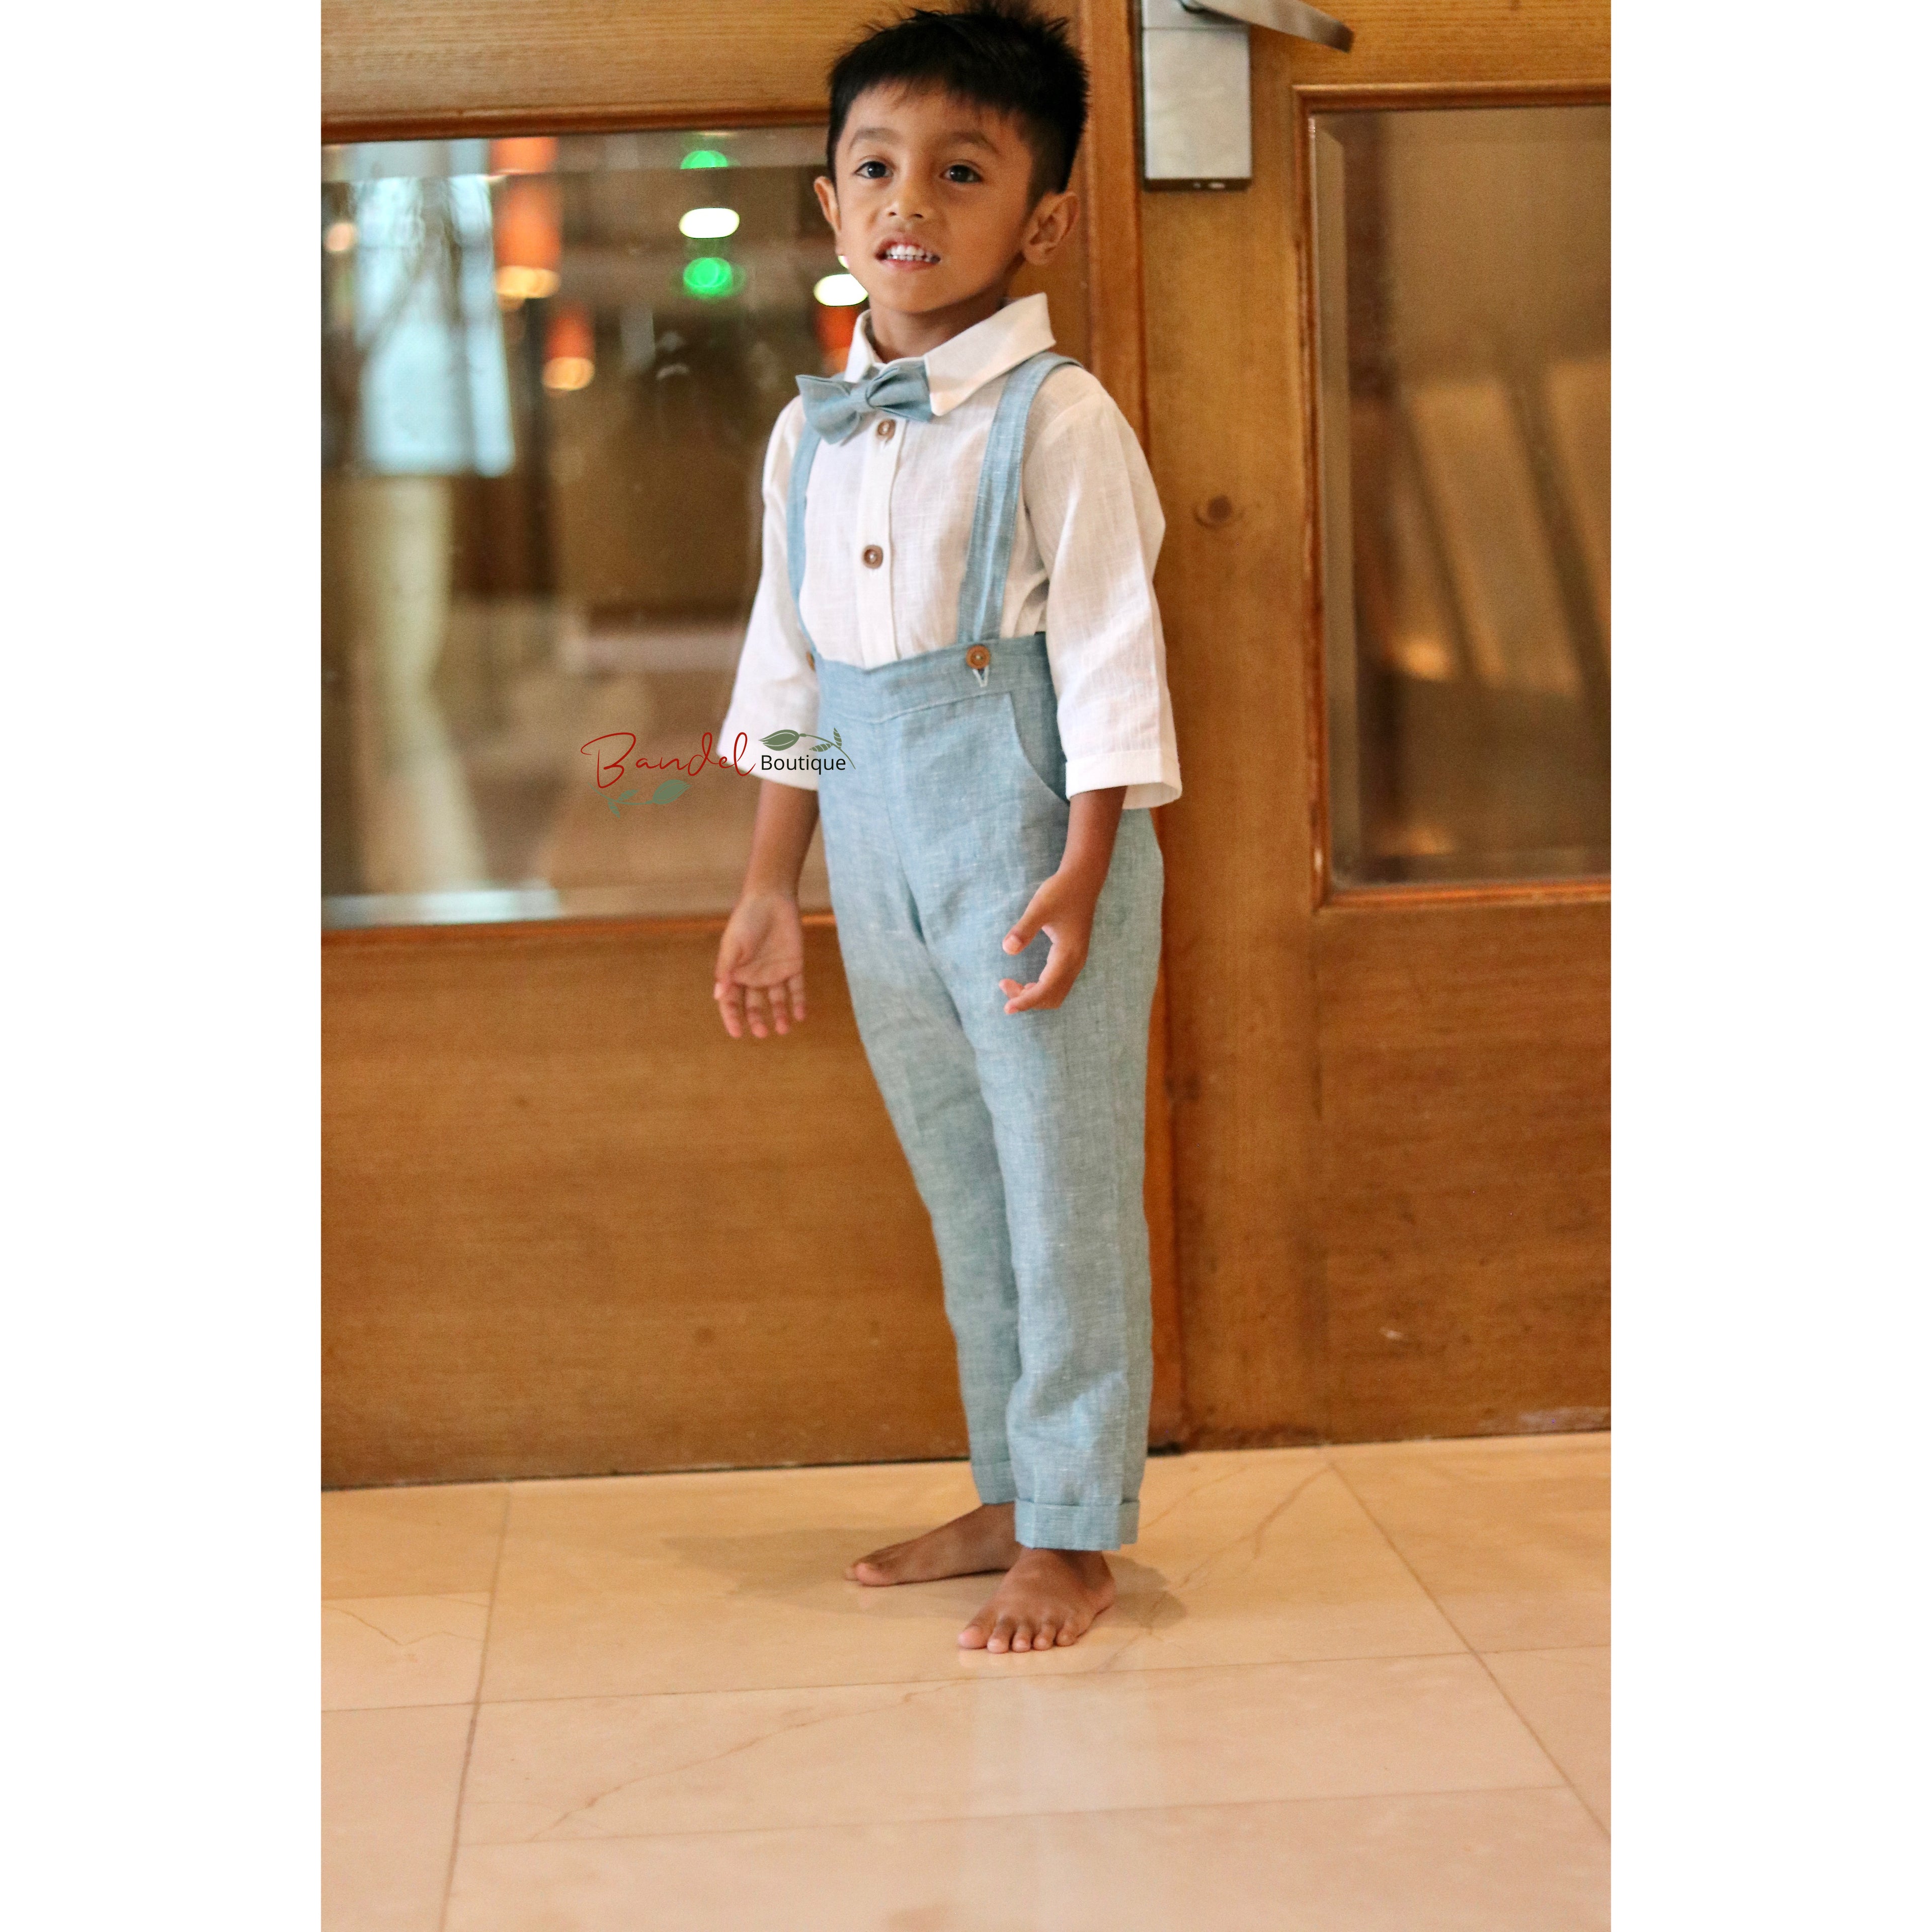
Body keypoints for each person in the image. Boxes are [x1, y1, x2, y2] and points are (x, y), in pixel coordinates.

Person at [712, 0, 1182, 1656]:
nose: (913, 199)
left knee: (1063, 1187)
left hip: (1036, 847)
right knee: (966, 1188)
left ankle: (1076, 1532)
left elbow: (1117, 656)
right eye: (878, 165)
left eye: (963, 170)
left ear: (1038, 217)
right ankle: (1007, 1485)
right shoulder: (807, 435)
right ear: (831, 202)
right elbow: (794, 666)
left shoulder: (1057, 419)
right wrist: (775, 884)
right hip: (876, 849)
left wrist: (1082, 863)